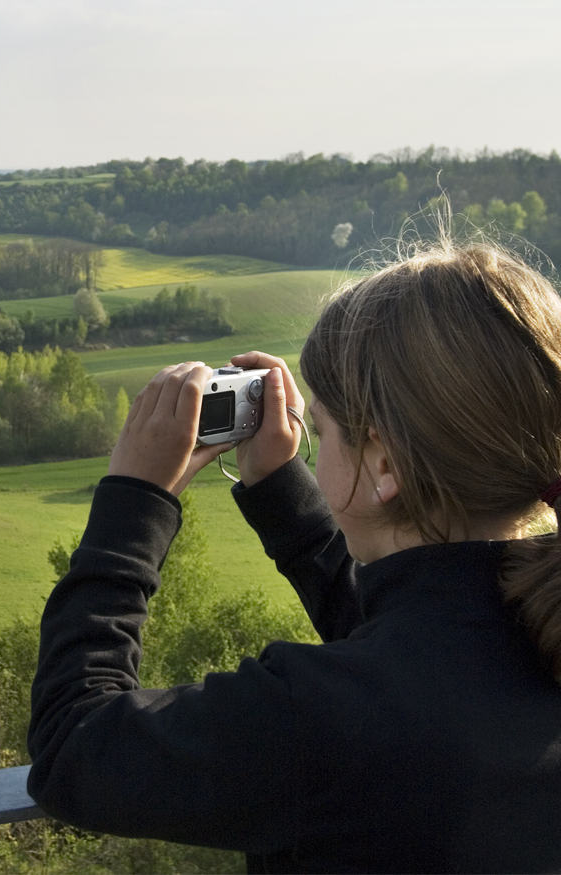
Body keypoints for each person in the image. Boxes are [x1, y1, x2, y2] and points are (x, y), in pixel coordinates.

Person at [28, 238, 561, 874]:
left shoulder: (314, 716)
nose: (317, 444)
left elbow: (71, 749)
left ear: (384, 461)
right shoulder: (528, 634)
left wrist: (135, 500)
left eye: (326, 430)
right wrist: (280, 488)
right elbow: (416, 645)